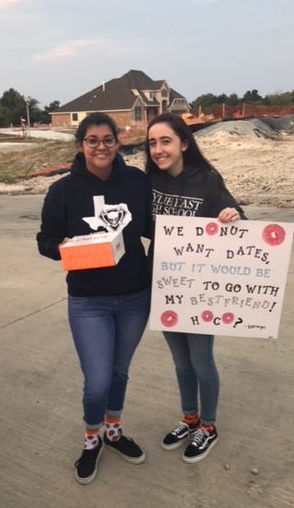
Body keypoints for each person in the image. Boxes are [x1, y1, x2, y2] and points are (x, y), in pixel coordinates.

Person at [37, 112, 152, 484]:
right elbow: (45, 240)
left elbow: (158, 226)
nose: (101, 146)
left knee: (120, 371)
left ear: (118, 143)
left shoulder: (137, 182)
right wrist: (61, 246)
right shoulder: (63, 191)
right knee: (98, 379)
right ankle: (91, 438)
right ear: (81, 145)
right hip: (89, 301)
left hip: (135, 295)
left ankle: (114, 432)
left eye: (108, 139)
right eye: (92, 140)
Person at [145, 112, 245, 463]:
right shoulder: (149, 182)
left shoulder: (207, 180)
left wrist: (232, 216)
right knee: (180, 362)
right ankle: (189, 418)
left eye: (166, 141)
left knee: (202, 361)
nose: (158, 149)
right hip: (165, 286)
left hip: (200, 289)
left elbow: (239, 219)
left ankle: (209, 426)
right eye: (153, 142)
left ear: (184, 143)